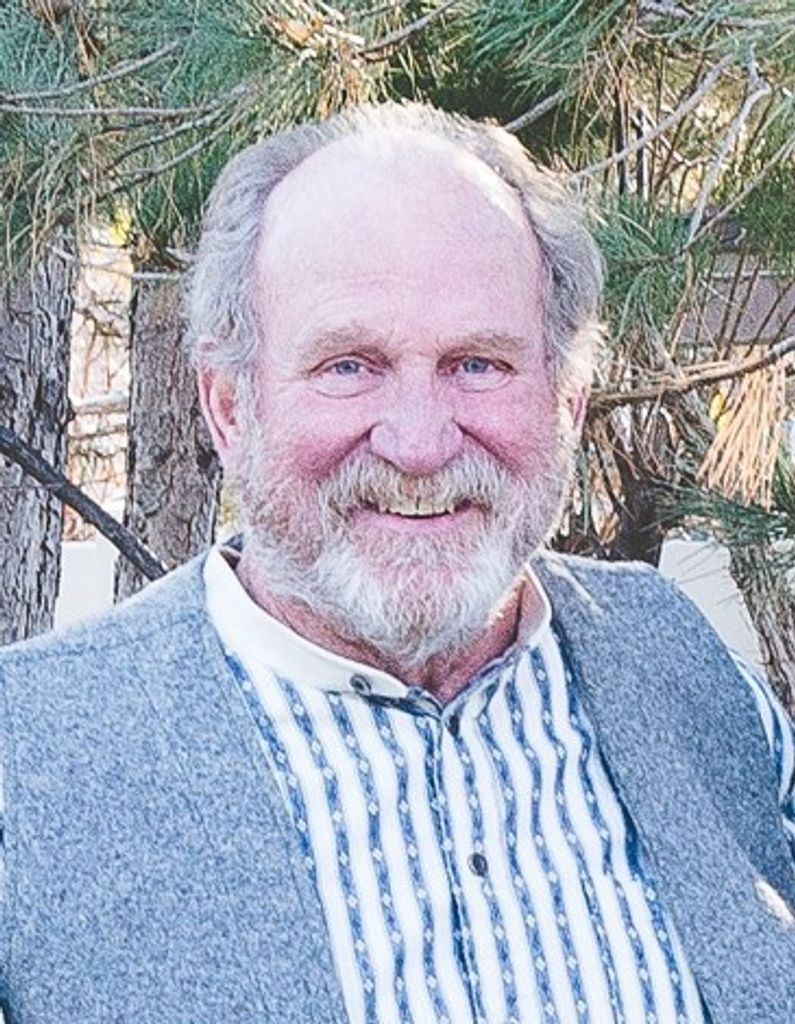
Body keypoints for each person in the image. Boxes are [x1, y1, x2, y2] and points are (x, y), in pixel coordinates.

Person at [0, 102, 793, 1024]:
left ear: (567, 404)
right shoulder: (28, 758)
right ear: (229, 408)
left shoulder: (681, 667)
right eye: (348, 365)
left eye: (478, 364)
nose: (418, 445)